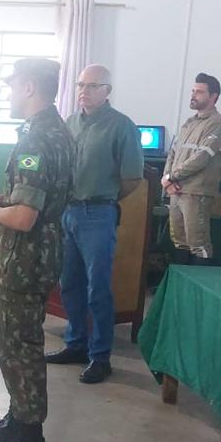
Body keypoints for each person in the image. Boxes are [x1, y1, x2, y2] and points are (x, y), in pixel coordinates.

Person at [0, 58, 74, 442]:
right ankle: (19, 417)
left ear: (30, 87)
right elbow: (36, 200)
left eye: (13, 87)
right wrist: (3, 201)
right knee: (19, 344)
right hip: (38, 256)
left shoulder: (35, 142)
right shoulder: (58, 132)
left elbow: (25, 217)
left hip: (24, 260)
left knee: (20, 348)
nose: (9, 94)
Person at [47, 64, 145, 385]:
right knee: (70, 284)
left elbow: (132, 178)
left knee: (98, 288)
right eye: (80, 85)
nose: (83, 91)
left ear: (107, 91)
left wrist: (105, 198)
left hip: (98, 215)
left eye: (91, 85)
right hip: (68, 212)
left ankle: (100, 356)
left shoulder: (121, 126)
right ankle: (76, 344)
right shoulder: (70, 123)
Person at [164, 73, 221, 264]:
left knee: (197, 243)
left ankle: (198, 289)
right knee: (179, 242)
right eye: (193, 91)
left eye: (199, 92)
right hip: (177, 191)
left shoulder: (217, 124)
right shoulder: (189, 123)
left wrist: (171, 177)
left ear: (213, 96)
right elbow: (173, 153)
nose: (193, 95)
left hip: (197, 192)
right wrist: (167, 177)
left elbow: (200, 159)